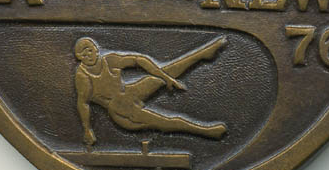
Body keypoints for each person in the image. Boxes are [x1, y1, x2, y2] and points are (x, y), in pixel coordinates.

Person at [74, 37, 228, 146]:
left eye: (90, 50)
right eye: (84, 54)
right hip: (121, 110)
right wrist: (87, 130)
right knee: (166, 122)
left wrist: (167, 78)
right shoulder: (83, 77)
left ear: (96, 50)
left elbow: (139, 60)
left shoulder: (109, 60)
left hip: (128, 92)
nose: (89, 56)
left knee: (163, 73)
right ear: (79, 57)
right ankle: (206, 132)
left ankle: (202, 54)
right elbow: (83, 103)